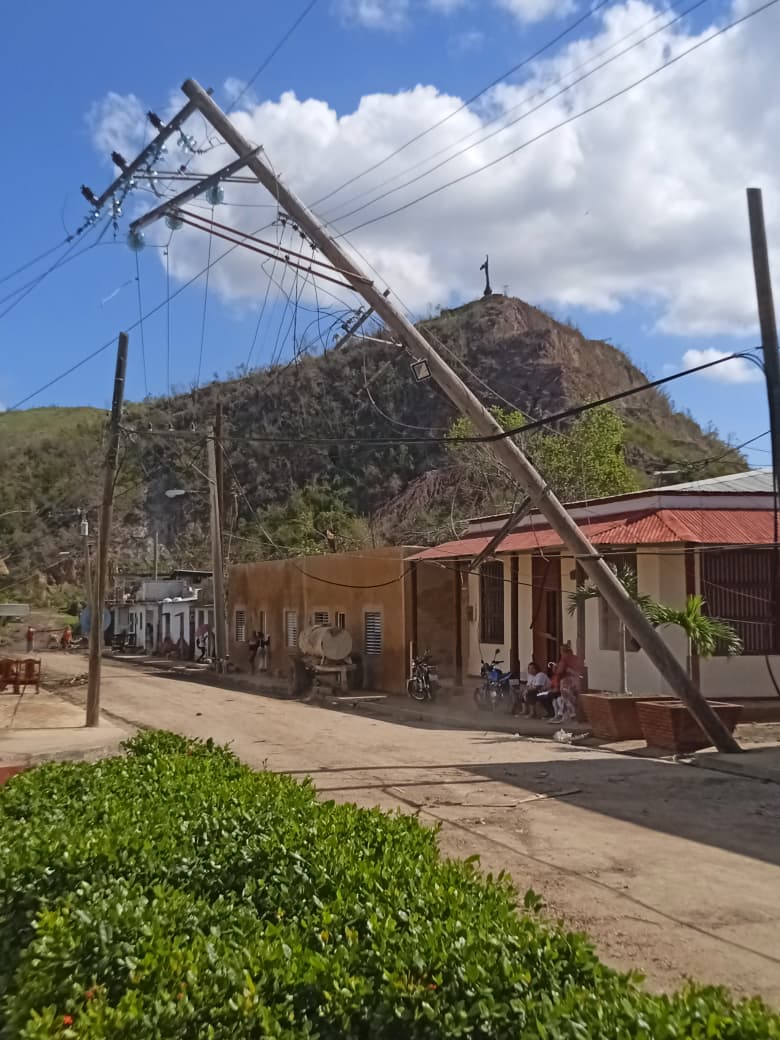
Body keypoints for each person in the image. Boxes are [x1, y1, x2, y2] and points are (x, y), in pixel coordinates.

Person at [549, 641, 582, 723]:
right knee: (569, 698)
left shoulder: (564, 659)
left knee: (566, 698)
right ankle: (566, 716)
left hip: (567, 681)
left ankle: (566, 716)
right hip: (577, 681)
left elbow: (560, 670)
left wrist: (555, 669)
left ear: (562, 651)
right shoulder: (576, 658)